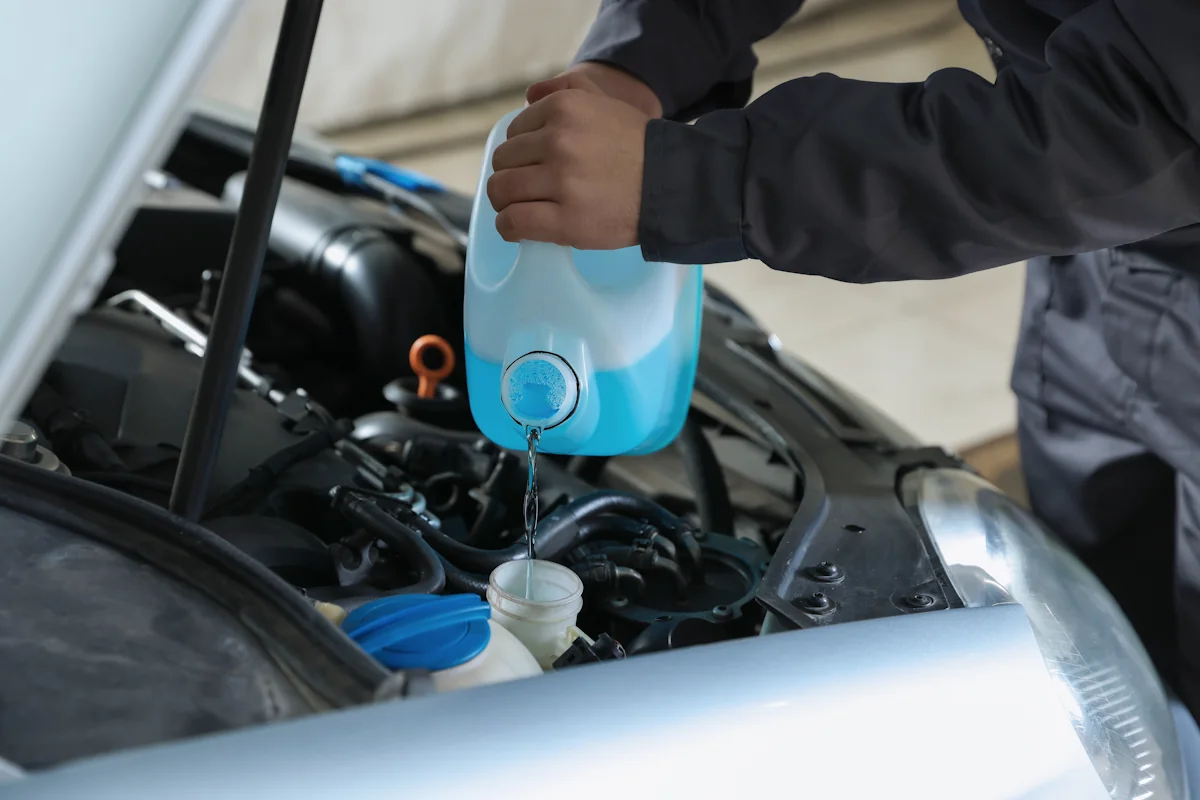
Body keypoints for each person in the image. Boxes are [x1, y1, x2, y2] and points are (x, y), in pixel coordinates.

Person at [486, 0, 1200, 711]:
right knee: (1101, 649)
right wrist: (640, 61)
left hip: (1129, 185)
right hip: (1087, 263)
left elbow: (1143, 109)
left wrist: (697, 180)